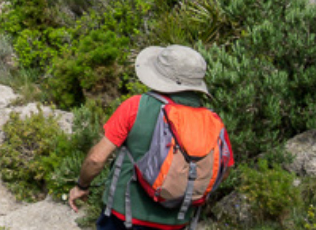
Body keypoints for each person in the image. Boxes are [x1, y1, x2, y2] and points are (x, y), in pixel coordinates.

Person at [67, 45, 224, 229]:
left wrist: (82, 186)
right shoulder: (213, 121)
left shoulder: (136, 106)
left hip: (124, 216)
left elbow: (96, 159)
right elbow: (223, 168)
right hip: (177, 221)